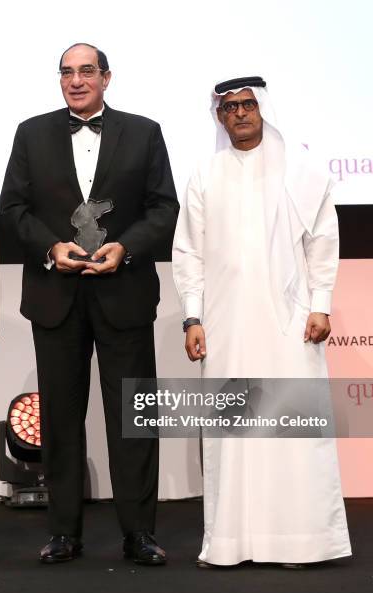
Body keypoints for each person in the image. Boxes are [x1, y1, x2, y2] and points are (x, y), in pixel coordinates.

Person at [0, 43, 178, 564]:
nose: (76, 80)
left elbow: (163, 207)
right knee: (59, 418)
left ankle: (139, 533)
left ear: (106, 77)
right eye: (66, 72)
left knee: (133, 417)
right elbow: (13, 208)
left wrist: (127, 249)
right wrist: (50, 249)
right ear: (60, 80)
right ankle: (64, 532)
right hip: (56, 294)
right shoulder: (31, 133)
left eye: (86, 71)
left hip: (124, 292)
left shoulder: (144, 131)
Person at [172, 76, 352, 567]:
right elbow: (188, 252)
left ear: (263, 110)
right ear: (219, 117)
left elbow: (322, 243)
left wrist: (320, 303)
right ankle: (233, 542)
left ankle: (302, 542)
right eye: (229, 108)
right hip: (225, 324)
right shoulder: (205, 174)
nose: (240, 114)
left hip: (290, 322)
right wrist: (192, 316)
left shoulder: (303, 173)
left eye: (248, 105)